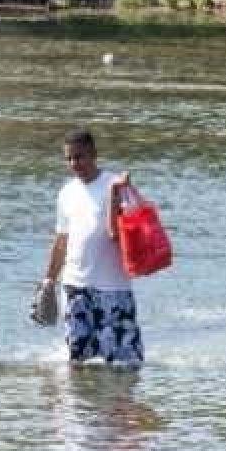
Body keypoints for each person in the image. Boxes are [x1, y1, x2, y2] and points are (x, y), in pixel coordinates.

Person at [39, 128, 144, 365]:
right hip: (75, 288)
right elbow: (61, 240)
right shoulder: (66, 192)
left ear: (94, 154)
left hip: (113, 288)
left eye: (80, 156)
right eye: (69, 158)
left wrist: (120, 196)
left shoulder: (116, 185)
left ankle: (121, 403)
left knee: (124, 365)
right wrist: (48, 281)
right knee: (77, 362)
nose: (75, 163)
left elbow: (131, 231)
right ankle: (83, 404)